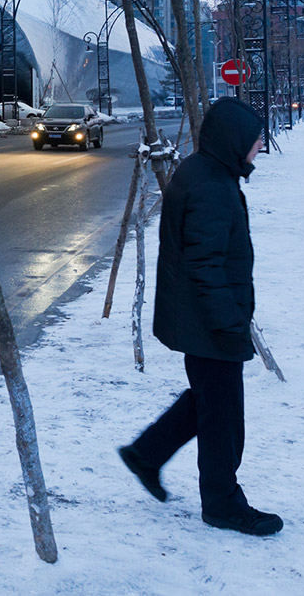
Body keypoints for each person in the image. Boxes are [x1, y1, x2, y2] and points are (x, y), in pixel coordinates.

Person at [119, 97, 282, 535]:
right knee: (224, 416)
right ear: (233, 140)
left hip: (200, 318)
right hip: (209, 322)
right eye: (254, 140)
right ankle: (223, 503)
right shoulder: (210, 185)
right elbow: (205, 265)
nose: (259, 147)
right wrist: (229, 323)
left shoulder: (208, 172)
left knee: (211, 402)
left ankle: (146, 454)